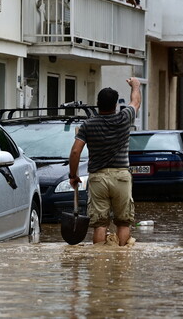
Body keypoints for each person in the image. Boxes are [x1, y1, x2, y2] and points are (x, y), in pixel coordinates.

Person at [69, 77, 141, 246]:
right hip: (121, 177)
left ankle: (99, 265)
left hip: (97, 178)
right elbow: (135, 101)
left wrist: (73, 175)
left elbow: (75, 151)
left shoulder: (88, 125)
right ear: (115, 105)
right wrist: (135, 85)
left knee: (100, 224)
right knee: (123, 222)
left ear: (97, 104)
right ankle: (121, 264)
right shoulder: (124, 119)